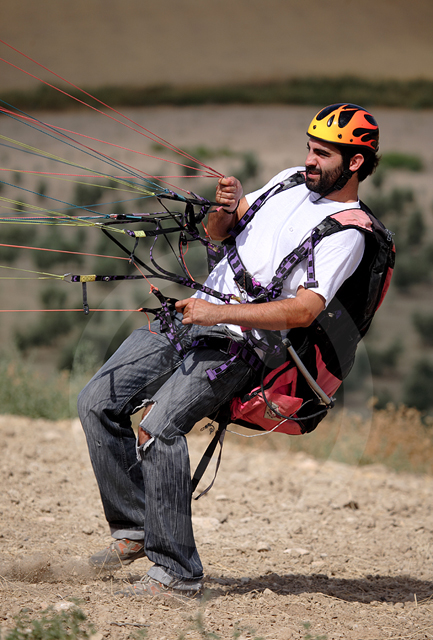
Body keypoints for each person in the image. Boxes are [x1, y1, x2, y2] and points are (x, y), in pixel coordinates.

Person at [78, 103, 381, 598]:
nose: (309, 158)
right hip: (194, 315)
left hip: (243, 344)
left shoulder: (350, 230)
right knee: (96, 401)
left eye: (322, 153)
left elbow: (303, 311)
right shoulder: (287, 181)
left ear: (353, 163)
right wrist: (228, 206)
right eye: (308, 146)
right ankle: (134, 528)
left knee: (158, 426)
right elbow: (219, 232)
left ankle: (178, 573)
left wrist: (217, 315)